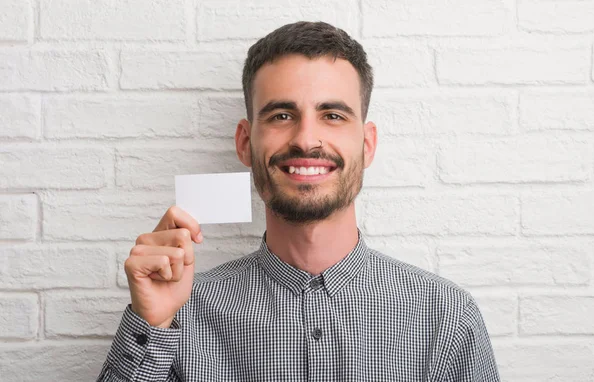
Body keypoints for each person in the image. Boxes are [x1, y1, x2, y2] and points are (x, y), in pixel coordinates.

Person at [97, 21, 500, 381]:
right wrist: (152, 323)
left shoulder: (444, 317)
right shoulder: (178, 316)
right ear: (244, 142)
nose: (306, 139)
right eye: (282, 116)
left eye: (333, 115)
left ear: (367, 144)